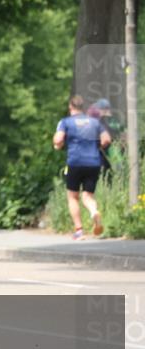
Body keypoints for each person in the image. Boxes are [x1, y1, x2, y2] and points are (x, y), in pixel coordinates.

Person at [54, 95, 111, 240]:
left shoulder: (65, 122)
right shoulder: (94, 122)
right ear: (82, 107)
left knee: (73, 197)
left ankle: (79, 231)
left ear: (70, 107)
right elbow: (107, 139)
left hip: (75, 162)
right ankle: (93, 211)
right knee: (88, 195)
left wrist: (58, 144)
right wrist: (96, 146)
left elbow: (58, 139)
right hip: (93, 162)